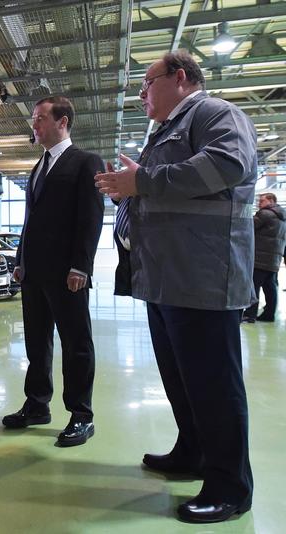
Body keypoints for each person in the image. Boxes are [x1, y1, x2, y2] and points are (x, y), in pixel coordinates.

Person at [94, 51, 256, 523]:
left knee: (214, 387)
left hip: (202, 278)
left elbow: (227, 165)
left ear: (180, 78)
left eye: (148, 83)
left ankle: (230, 487)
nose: (142, 93)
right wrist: (134, 184)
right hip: (167, 278)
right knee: (182, 380)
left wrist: (143, 180)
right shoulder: (165, 131)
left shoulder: (214, 114)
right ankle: (193, 451)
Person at [2, 96, 105, 448]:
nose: (35, 124)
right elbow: (30, 222)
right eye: (34, 119)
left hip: (67, 274)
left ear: (62, 122)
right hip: (34, 273)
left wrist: (81, 265)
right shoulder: (38, 167)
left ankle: (81, 414)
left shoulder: (85, 162)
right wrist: (20, 261)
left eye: (40, 118)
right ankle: (37, 404)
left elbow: (91, 219)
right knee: (37, 343)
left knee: (76, 344)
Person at [242, 193, 285, 322]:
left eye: (262, 201)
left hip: (260, 258)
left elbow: (247, 227)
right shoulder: (282, 217)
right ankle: (269, 315)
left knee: (253, 286)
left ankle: (250, 314)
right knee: (270, 287)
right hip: (273, 260)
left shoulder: (265, 214)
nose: (259, 204)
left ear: (271, 201)